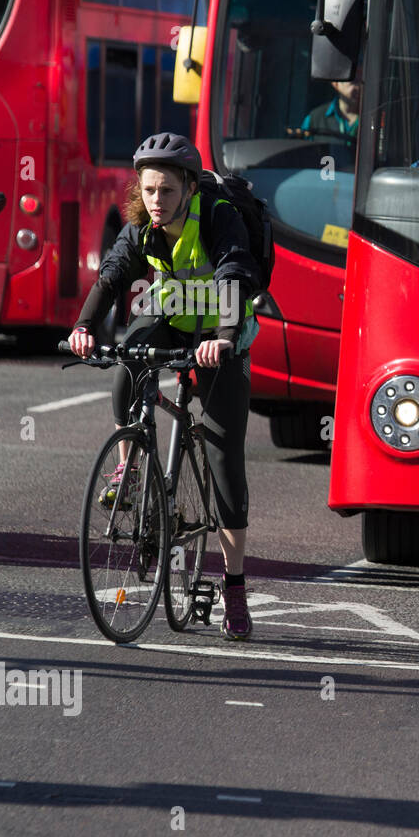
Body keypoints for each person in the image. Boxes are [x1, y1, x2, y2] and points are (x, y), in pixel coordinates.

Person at [67, 132, 263, 640]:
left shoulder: (219, 217)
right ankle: (129, 463)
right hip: (171, 316)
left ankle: (235, 584)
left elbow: (233, 274)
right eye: (149, 190)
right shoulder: (142, 224)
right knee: (127, 361)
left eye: (167, 192)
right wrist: (84, 327)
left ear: (189, 188)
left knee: (224, 459)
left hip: (220, 334)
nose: (156, 201)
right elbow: (113, 275)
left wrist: (221, 339)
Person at [301, 70, 362, 144]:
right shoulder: (314, 119)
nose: (359, 87)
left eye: (361, 82)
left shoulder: (375, 120)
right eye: (354, 82)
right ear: (336, 84)